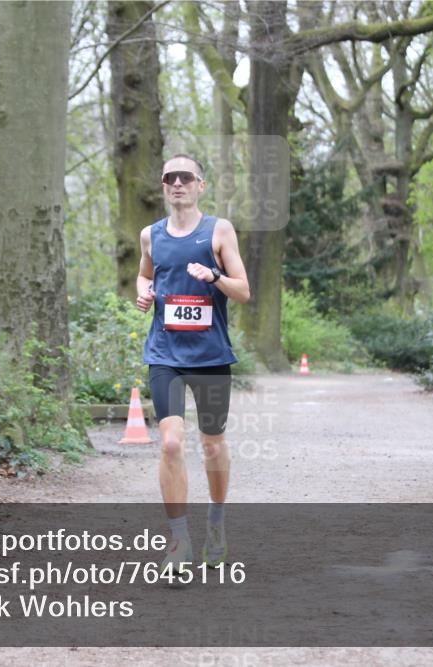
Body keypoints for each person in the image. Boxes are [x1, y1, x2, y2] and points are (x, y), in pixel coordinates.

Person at [135, 153, 251, 574]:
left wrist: (214, 278)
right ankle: (179, 541)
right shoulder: (150, 235)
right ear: (164, 186)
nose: (177, 183)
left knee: (213, 442)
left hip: (210, 355)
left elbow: (243, 291)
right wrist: (144, 293)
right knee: (169, 443)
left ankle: (216, 522)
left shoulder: (218, 230)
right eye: (170, 177)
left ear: (201, 184)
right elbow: (145, 275)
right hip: (165, 353)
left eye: (186, 177)